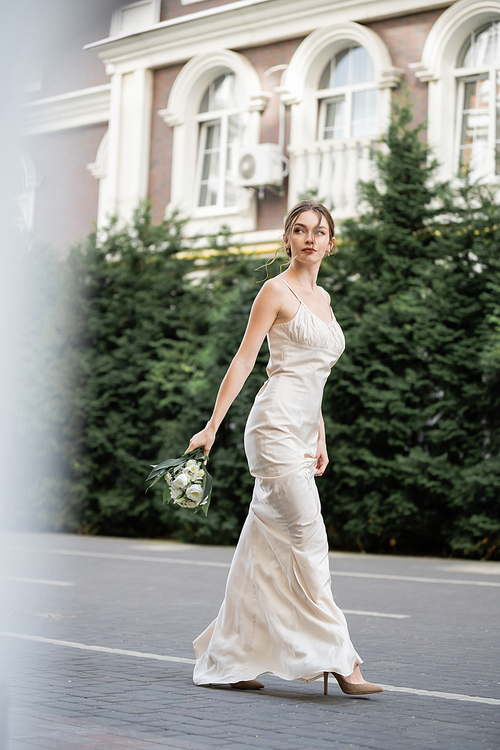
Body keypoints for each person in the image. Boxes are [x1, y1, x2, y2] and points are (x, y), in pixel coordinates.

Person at [186, 200, 382, 696]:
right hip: (272, 428)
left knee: (260, 552)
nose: (310, 238)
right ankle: (343, 662)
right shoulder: (275, 290)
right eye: (300, 230)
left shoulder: (326, 300)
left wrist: (321, 433)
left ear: (331, 243)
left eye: (319, 231)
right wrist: (211, 427)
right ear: (288, 239)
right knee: (310, 539)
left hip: (301, 431)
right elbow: (247, 360)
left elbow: (312, 373)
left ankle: (227, 658)